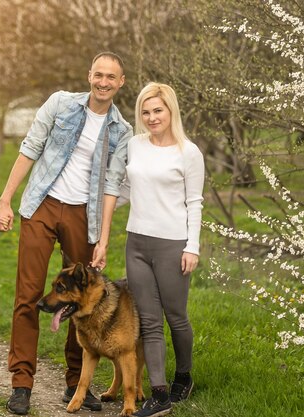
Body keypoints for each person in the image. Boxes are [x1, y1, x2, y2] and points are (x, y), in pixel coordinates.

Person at [0, 52, 132, 416]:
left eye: (110, 77)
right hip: (42, 202)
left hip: (82, 216)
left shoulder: (122, 131)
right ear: (89, 75)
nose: (103, 82)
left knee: (79, 300)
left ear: (121, 82)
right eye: (98, 74)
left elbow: (112, 185)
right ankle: (21, 383)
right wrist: (5, 200)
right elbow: (30, 148)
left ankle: (76, 383)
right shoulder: (60, 103)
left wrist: (102, 239)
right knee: (29, 294)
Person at [121, 82, 205, 417]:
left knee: (176, 318)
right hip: (136, 243)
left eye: (158, 110)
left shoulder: (189, 152)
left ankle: (183, 375)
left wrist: (192, 247)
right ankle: (159, 395)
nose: (152, 117)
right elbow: (128, 189)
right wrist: (99, 206)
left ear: (171, 111)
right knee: (150, 321)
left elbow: (195, 203)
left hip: (173, 245)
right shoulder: (135, 145)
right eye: (146, 111)